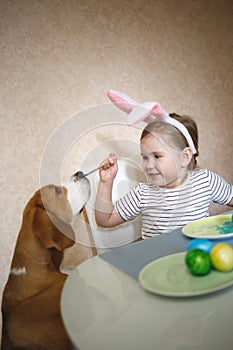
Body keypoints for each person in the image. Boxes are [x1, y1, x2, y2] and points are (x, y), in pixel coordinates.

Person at [94, 113, 233, 239]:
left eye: (157, 156)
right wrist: (106, 182)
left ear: (184, 157)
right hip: (159, 261)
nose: (148, 165)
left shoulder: (206, 181)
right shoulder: (143, 194)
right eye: (145, 158)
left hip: (198, 257)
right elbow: (104, 220)